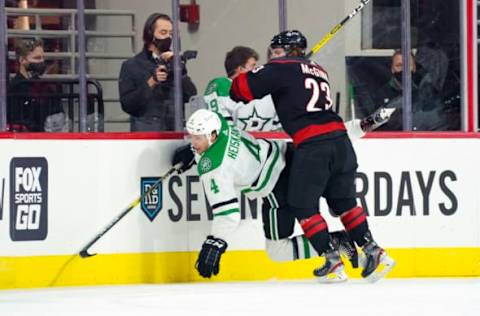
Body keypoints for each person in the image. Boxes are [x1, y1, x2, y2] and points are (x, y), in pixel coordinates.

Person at [229, 30, 395, 283]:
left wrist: (264, 70)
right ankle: (375, 252)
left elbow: (239, 90)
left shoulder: (279, 68)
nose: (272, 55)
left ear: (285, 51)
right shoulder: (319, 70)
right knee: (344, 203)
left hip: (314, 146)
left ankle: (332, 261)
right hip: (341, 143)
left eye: (275, 51)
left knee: (302, 205)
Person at [172, 107, 393, 281]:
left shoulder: (214, 168)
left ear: (211, 135)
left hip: (276, 187)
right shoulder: (221, 122)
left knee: (277, 251)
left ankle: (334, 244)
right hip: (292, 156)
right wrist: (195, 152)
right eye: (192, 137)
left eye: (197, 138)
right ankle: (361, 127)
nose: (194, 142)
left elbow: (227, 213)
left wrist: (215, 242)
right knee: (321, 150)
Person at [119, 13, 197, 131]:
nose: (168, 38)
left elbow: (191, 95)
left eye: (171, 34)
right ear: (150, 35)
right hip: (146, 135)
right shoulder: (132, 65)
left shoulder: (175, 63)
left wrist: (179, 70)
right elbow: (127, 105)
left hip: (174, 133)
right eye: (163, 32)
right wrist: (152, 82)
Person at [204, 46, 281, 131]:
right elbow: (222, 128)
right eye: (253, 66)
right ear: (240, 69)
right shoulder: (222, 85)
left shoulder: (259, 89)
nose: (256, 70)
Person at [375, 50, 446, 131]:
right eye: (399, 65)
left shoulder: (426, 91)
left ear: (414, 68)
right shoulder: (381, 93)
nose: (404, 70)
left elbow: (438, 123)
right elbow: (372, 125)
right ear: (392, 69)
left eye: (408, 65)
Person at [7, 38, 67, 132]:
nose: (41, 61)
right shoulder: (14, 89)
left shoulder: (46, 88)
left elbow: (58, 115)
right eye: (37, 58)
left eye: (42, 58)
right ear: (22, 60)